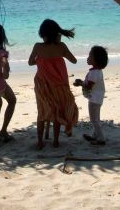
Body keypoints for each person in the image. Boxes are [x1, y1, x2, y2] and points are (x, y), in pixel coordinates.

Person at [28, 19, 78, 149]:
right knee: (57, 112)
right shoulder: (61, 47)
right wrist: (60, 47)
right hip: (59, 85)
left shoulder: (38, 47)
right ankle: (55, 141)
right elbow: (74, 61)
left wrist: (41, 61)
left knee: (42, 110)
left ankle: (40, 142)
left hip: (42, 85)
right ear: (57, 34)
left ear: (42, 34)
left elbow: (30, 62)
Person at [74, 45, 109, 146]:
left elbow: (89, 86)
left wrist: (80, 83)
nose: (88, 58)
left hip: (94, 99)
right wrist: (81, 82)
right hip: (97, 98)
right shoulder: (97, 71)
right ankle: (95, 136)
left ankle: (101, 139)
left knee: (94, 120)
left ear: (96, 60)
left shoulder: (94, 73)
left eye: (90, 56)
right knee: (96, 119)